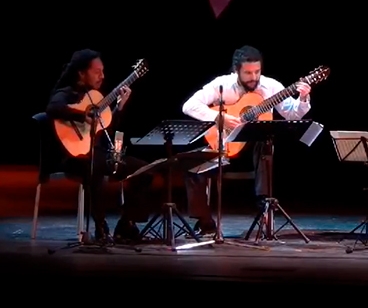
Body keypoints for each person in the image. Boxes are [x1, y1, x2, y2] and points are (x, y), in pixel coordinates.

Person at [181, 45, 312, 235]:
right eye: (248, 73)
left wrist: (303, 98)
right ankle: (205, 222)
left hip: (255, 151)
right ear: (236, 71)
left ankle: (263, 203)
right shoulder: (222, 84)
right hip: (223, 145)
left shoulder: (271, 87)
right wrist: (219, 117)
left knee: (265, 138)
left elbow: (293, 114)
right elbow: (189, 105)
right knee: (192, 169)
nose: (254, 77)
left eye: (257, 72)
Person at [45, 49, 156, 242]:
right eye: (97, 71)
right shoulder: (66, 94)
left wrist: (119, 108)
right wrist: (82, 115)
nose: (102, 76)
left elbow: (107, 131)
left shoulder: (97, 98)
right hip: (74, 159)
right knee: (95, 167)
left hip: (101, 154)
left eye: (103, 71)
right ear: (81, 73)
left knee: (145, 171)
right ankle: (100, 225)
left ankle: (126, 224)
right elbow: (52, 109)